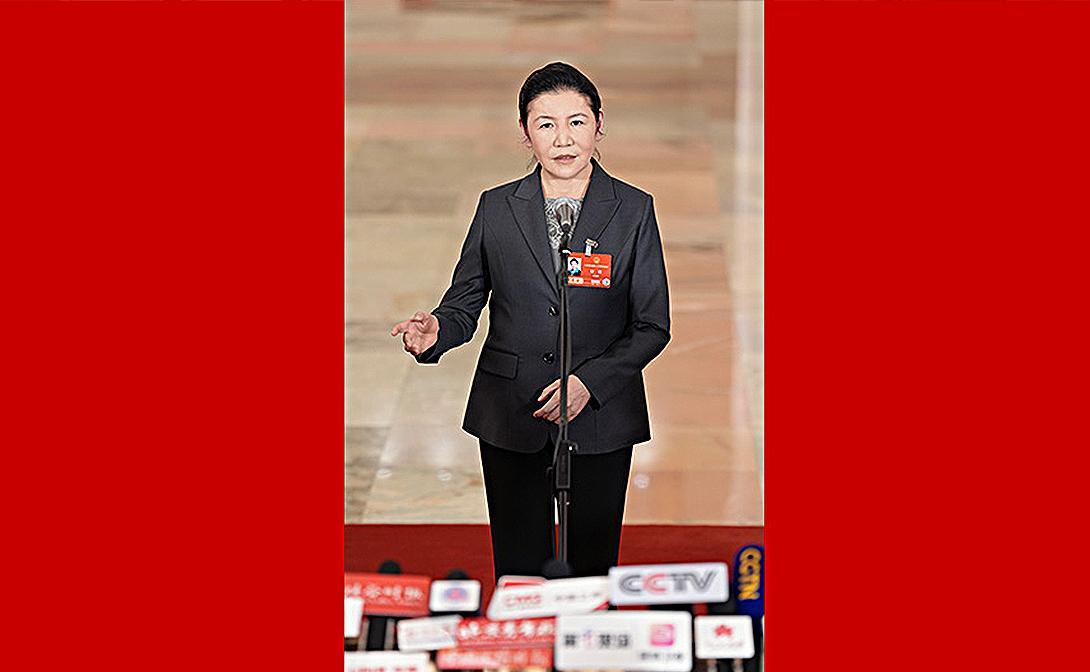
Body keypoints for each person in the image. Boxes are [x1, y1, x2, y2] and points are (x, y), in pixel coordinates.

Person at [390, 62, 670, 581]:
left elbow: (652, 324)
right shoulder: (497, 208)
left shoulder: (633, 210)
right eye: (546, 124)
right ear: (525, 133)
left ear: (599, 124)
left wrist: (589, 383)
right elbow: (464, 302)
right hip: (510, 410)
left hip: (601, 415)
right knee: (519, 569)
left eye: (576, 122)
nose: (563, 140)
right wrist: (438, 332)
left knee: (590, 571)